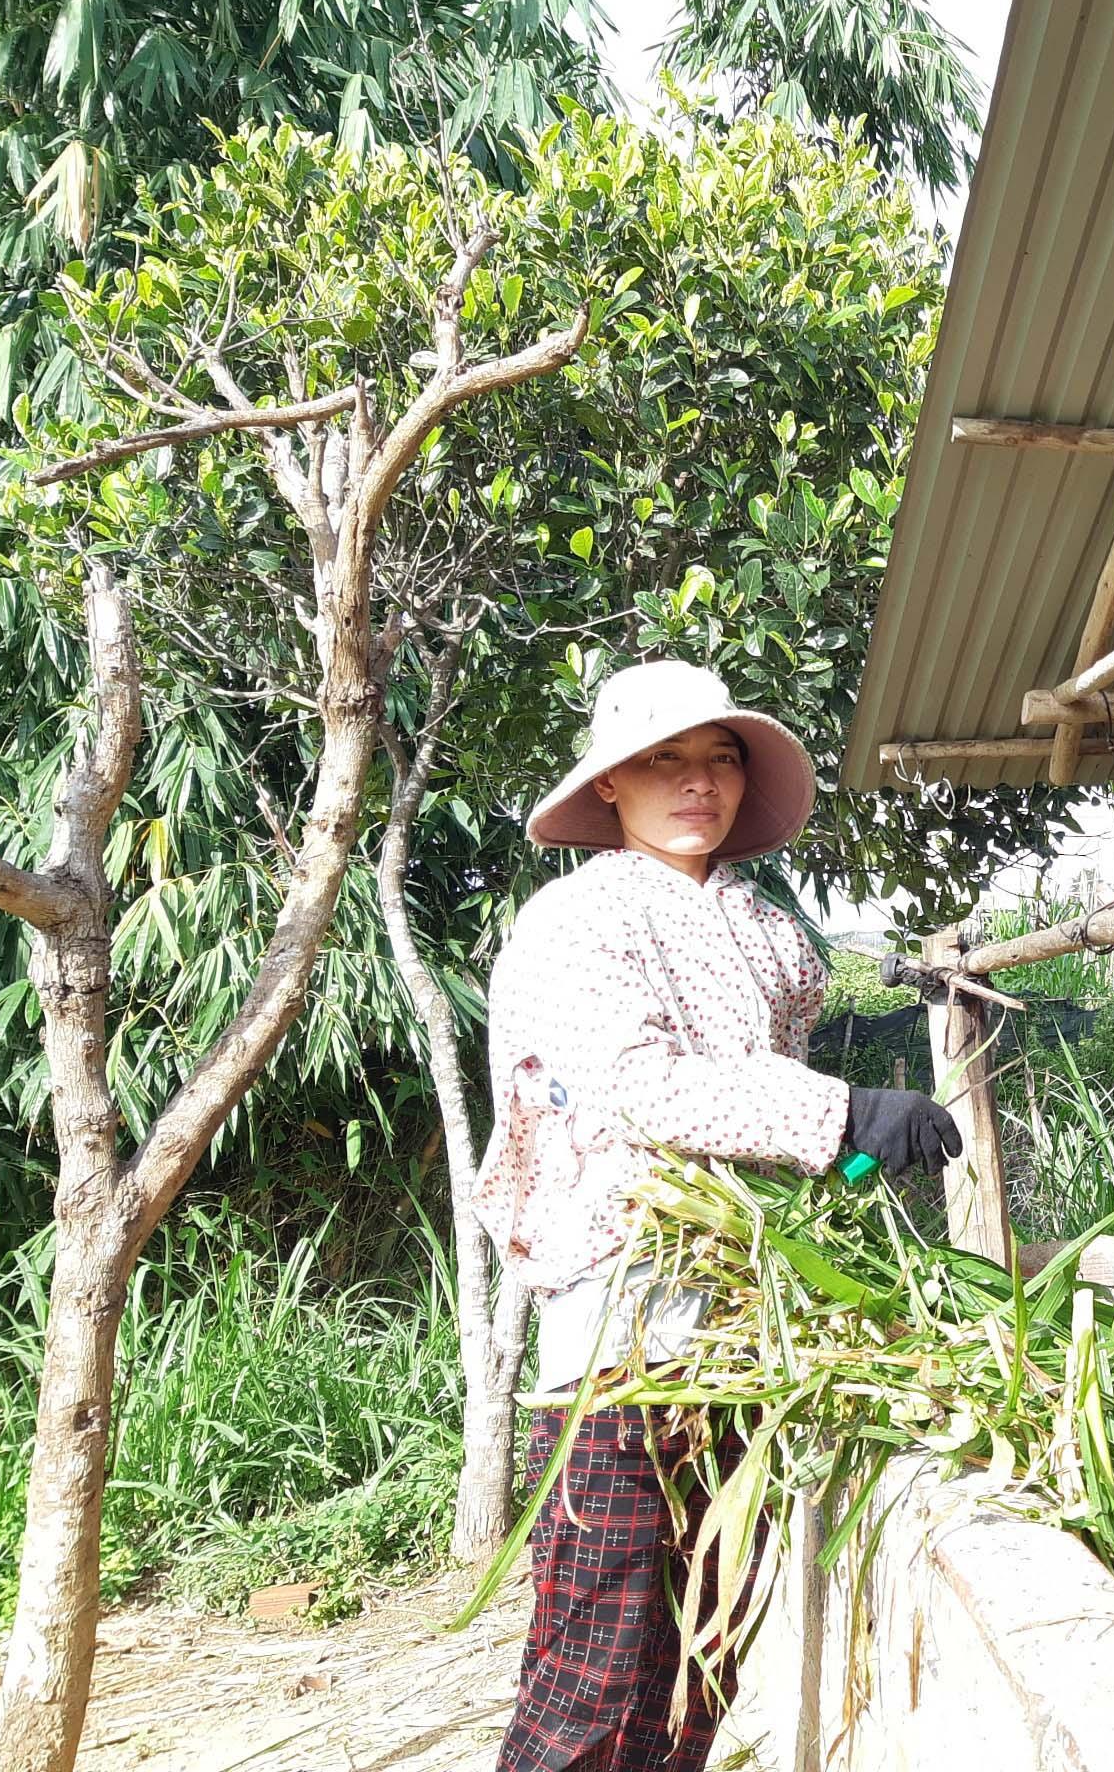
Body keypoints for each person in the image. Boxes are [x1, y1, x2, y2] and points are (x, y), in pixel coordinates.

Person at [473, 659, 960, 1772]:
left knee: (706, 1642)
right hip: (621, 1326)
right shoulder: (576, 919)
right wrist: (843, 1111)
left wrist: (837, 1163)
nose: (700, 784)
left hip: (745, 1321)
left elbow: (758, 1100)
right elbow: (638, 1085)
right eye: (665, 760)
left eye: (720, 758)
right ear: (609, 786)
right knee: (596, 1656)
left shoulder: (771, 931)